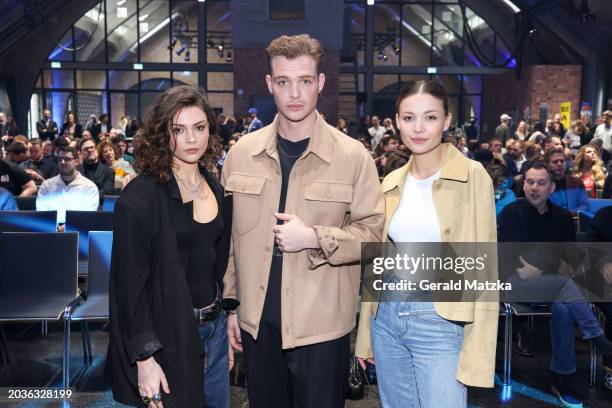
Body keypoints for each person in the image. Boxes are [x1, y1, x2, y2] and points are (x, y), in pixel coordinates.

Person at [221, 34, 384, 408]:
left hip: (322, 327)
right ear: (269, 85)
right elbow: (229, 240)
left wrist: (314, 236)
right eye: (283, 82)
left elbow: (373, 236)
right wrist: (232, 307)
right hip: (258, 324)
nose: (294, 93)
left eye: (305, 81)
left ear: (321, 84)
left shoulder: (353, 157)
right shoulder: (242, 154)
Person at [355, 80, 499, 407]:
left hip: (440, 317)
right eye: (408, 118)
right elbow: (377, 262)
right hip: (387, 317)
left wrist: (478, 352)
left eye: (430, 118)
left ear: (447, 121)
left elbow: (484, 268)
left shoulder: (473, 176)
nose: (418, 128)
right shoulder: (391, 182)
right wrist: (365, 336)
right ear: (396, 121)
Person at [106, 85, 233, 408]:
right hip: (166, 336)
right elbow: (128, 288)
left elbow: (213, 265)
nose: (191, 139)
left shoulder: (214, 186)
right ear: (162, 134)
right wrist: (145, 358)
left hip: (214, 332)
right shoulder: (140, 198)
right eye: (179, 129)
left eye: (199, 128)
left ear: (210, 131)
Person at [498, 161, 612, 407]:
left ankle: (563, 376)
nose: (534, 187)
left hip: (556, 287)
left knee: (563, 306)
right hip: (516, 286)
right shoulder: (510, 213)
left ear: (551, 188)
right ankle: (599, 340)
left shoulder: (562, 218)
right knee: (563, 284)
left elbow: (569, 261)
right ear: (523, 184)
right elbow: (514, 260)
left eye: (540, 183)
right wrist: (551, 260)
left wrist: (541, 262)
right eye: (529, 182)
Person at [36, 146, 99, 224]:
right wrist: (56, 228)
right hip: (51, 231)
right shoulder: (47, 185)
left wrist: (66, 228)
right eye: (60, 159)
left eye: (67, 159)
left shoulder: (89, 187)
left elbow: (88, 217)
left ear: (76, 162)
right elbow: (41, 213)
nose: (62, 162)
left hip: (78, 231)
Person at [546, 147, 589, 213]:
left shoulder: (576, 182)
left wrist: (568, 215)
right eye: (555, 162)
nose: (559, 164)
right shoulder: (543, 185)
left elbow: (585, 206)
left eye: (562, 161)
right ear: (548, 165)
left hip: (573, 220)